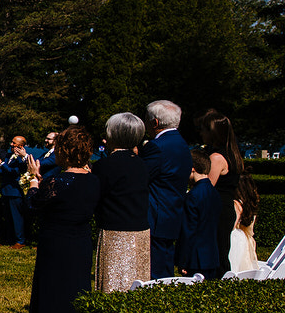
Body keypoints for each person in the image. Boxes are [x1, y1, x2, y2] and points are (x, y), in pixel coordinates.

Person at [25, 125, 100, 313]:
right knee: (76, 290)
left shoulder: (57, 181)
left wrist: (33, 182)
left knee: (52, 292)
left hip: (56, 244)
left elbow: (33, 205)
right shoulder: (95, 181)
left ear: (64, 151)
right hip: (81, 243)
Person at [93, 113, 150, 291]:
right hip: (140, 233)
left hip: (114, 232)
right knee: (137, 281)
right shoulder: (142, 164)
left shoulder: (105, 165)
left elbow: (96, 197)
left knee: (113, 283)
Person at [141, 100, 192, 279]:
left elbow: (142, 178)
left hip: (156, 216)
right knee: (164, 270)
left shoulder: (157, 147)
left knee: (155, 273)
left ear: (154, 122)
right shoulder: (182, 144)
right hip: (172, 214)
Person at [196, 109, 244, 274]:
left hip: (218, 211)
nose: (201, 132)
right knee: (221, 253)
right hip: (226, 207)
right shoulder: (232, 154)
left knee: (216, 257)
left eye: (204, 129)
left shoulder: (216, 158)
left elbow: (206, 188)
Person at [175, 150, 221, 280]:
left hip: (195, 257)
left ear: (192, 168)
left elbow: (188, 231)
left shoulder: (193, 196)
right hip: (211, 255)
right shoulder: (215, 193)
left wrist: (183, 259)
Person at [0, 136, 29, 249]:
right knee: (8, 217)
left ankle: (20, 240)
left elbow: (14, 172)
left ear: (21, 146)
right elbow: (4, 171)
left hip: (15, 191)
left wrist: (2, 164)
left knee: (17, 217)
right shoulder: (9, 156)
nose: (11, 144)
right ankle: (9, 238)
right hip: (6, 190)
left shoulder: (22, 158)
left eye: (14, 143)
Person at [229, 173, 259, 273]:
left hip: (234, 238)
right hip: (244, 239)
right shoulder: (248, 204)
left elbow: (232, 225)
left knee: (234, 267)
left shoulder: (236, 204)